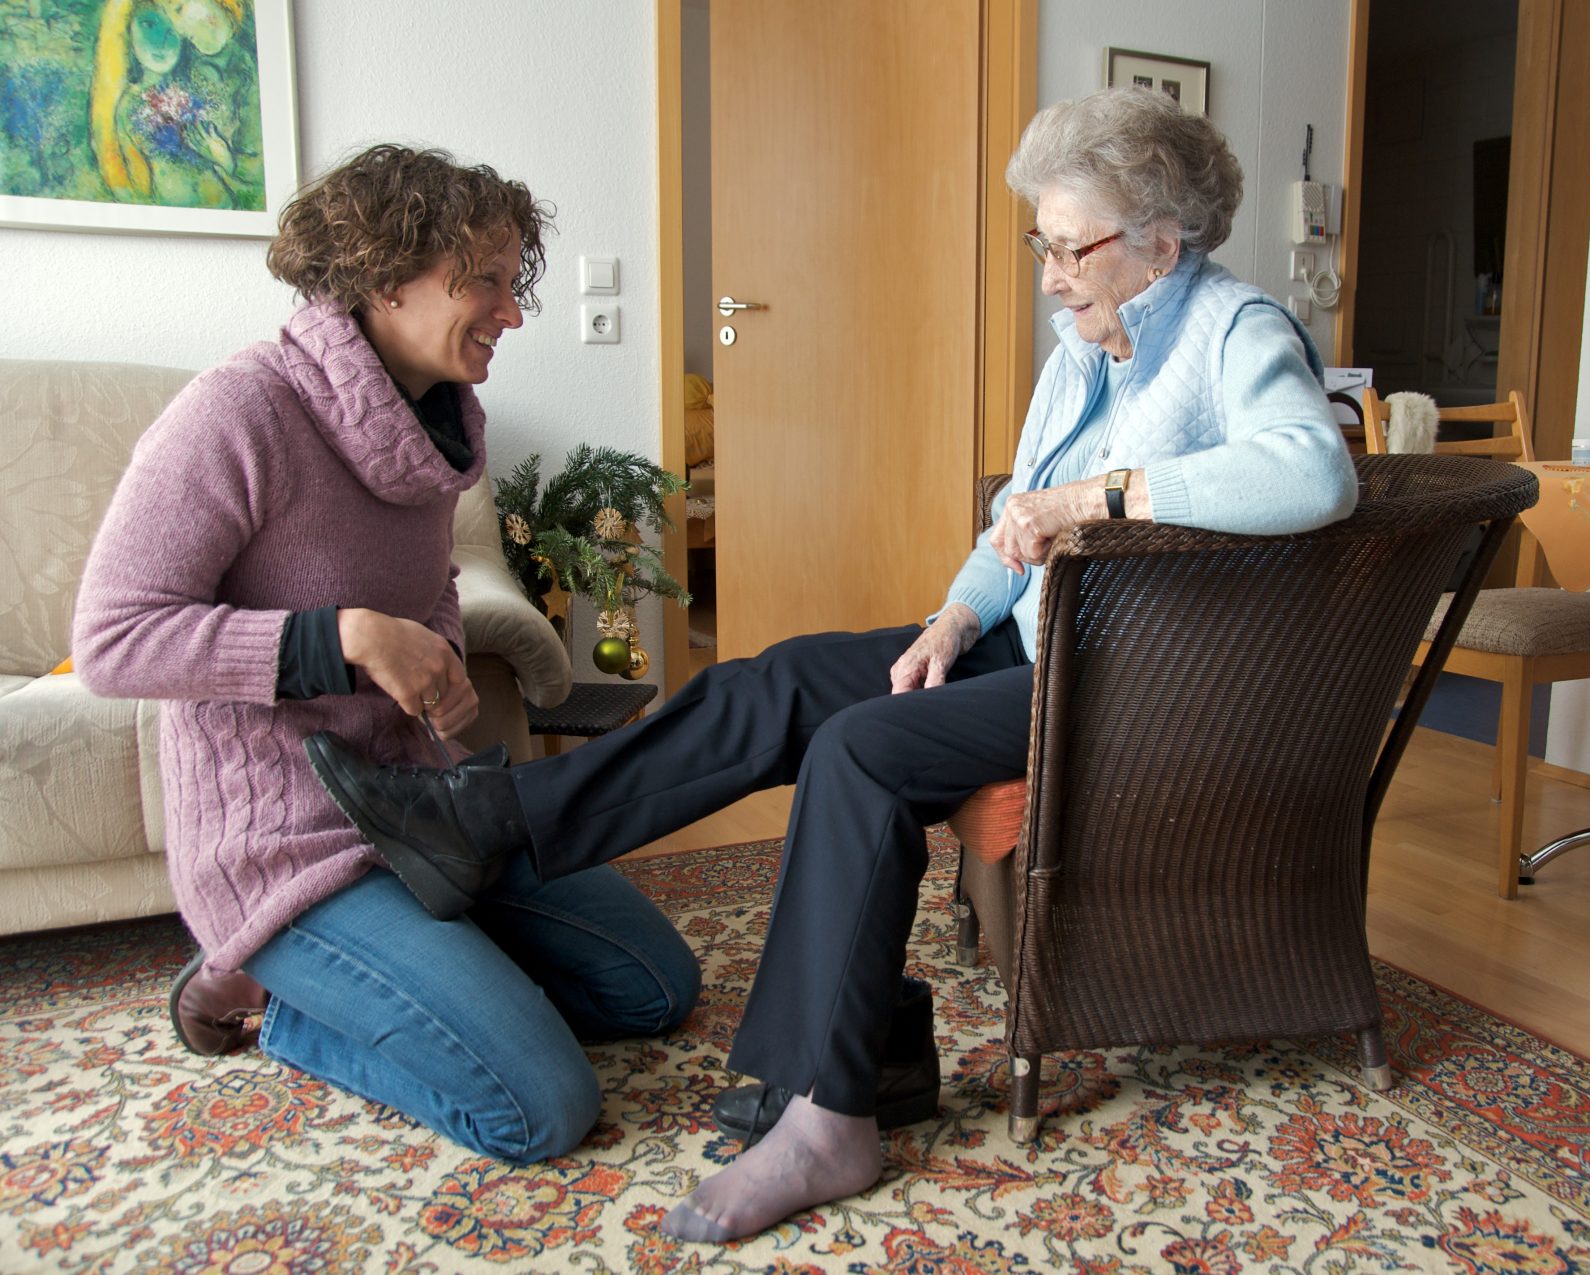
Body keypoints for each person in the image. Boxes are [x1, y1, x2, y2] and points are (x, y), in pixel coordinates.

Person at [304, 88, 1356, 1239]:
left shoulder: (1237, 329)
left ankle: (830, 1112)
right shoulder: (1080, 357)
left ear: (1164, 238)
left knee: (863, 750)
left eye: (1071, 247)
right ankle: (495, 822)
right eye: (1040, 245)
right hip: (1039, 642)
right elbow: (1015, 527)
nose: (1050, 275)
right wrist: (952, 623)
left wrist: (1100, 497)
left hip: (1142, 685)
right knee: (787, 681)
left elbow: (1313, 475)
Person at [71, 144, 701, 1165]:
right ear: (383, 277)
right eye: (486, 281)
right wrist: (348, 639)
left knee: (653, 988)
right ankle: (268, 999)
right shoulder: (240, 413)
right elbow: (110, 640)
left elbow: (436, 587)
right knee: (539, 1106)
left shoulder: (439, 428)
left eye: (511, 280)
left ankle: (426, 974)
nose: (512, 311)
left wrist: (440, 658)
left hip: (426, 809)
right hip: (286, 846)